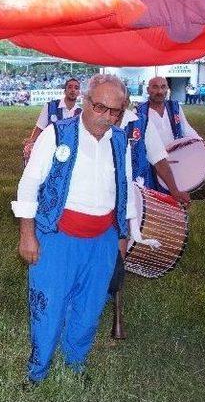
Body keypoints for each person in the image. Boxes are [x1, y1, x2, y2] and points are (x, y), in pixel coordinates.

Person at [11, 74, 137, 384]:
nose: (107, 117)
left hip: (103, 240)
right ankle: (38, 370)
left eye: (115, 111)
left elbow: (126, 188)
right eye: (100, 107)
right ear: (84, 100)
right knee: (48, 305)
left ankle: (75, 361)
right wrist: (27, 234)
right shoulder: (56, 134)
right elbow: (29, 183)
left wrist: (124, 237)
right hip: (57, 235)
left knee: (90, 306)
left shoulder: (121, 141)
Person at [142, 77, 205, 153]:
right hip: (153, 159)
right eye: (155, 87)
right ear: (148, 90)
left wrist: (203, 144)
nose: (160, 91)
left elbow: (186, 128)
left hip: (176, 153)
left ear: (167, 89)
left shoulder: (174, 107)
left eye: (163, 87)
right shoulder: (139, 111)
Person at [24, 78, 82, 145]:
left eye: (76, 88)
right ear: (65, 91)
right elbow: (40, 126)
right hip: (50, 145)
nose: (73, 90)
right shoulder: (50, 106)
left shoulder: (80, 112)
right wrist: (32, 140)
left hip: (70, 147)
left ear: (78, 93)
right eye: (70, 87)